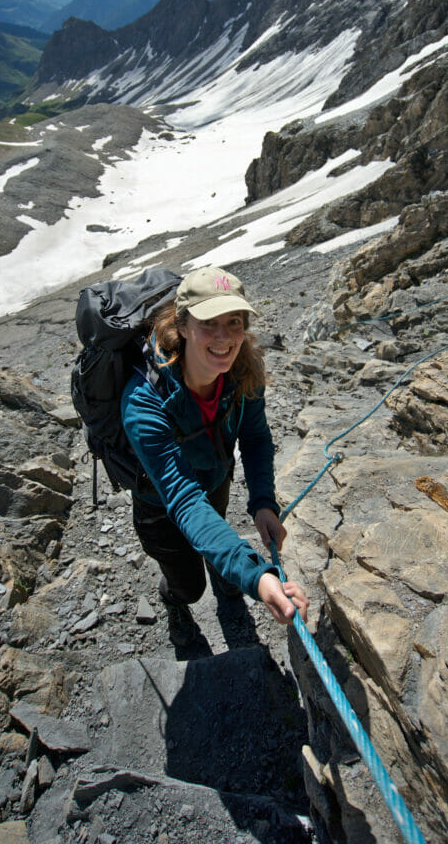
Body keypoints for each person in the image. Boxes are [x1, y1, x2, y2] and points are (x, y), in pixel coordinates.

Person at [121, 264, 309, 646]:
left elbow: (255, 437)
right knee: (189, 588)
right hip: (160, 505)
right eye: (209, 322)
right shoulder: (143, 402)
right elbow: (184, 499)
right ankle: (174, 596)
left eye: (235, 321)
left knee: (216, 533)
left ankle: (225, 571)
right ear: (183, 326)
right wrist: (257, 576)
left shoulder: (242, 372)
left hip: (215, 479)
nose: (224, 337)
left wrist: (263, 503)